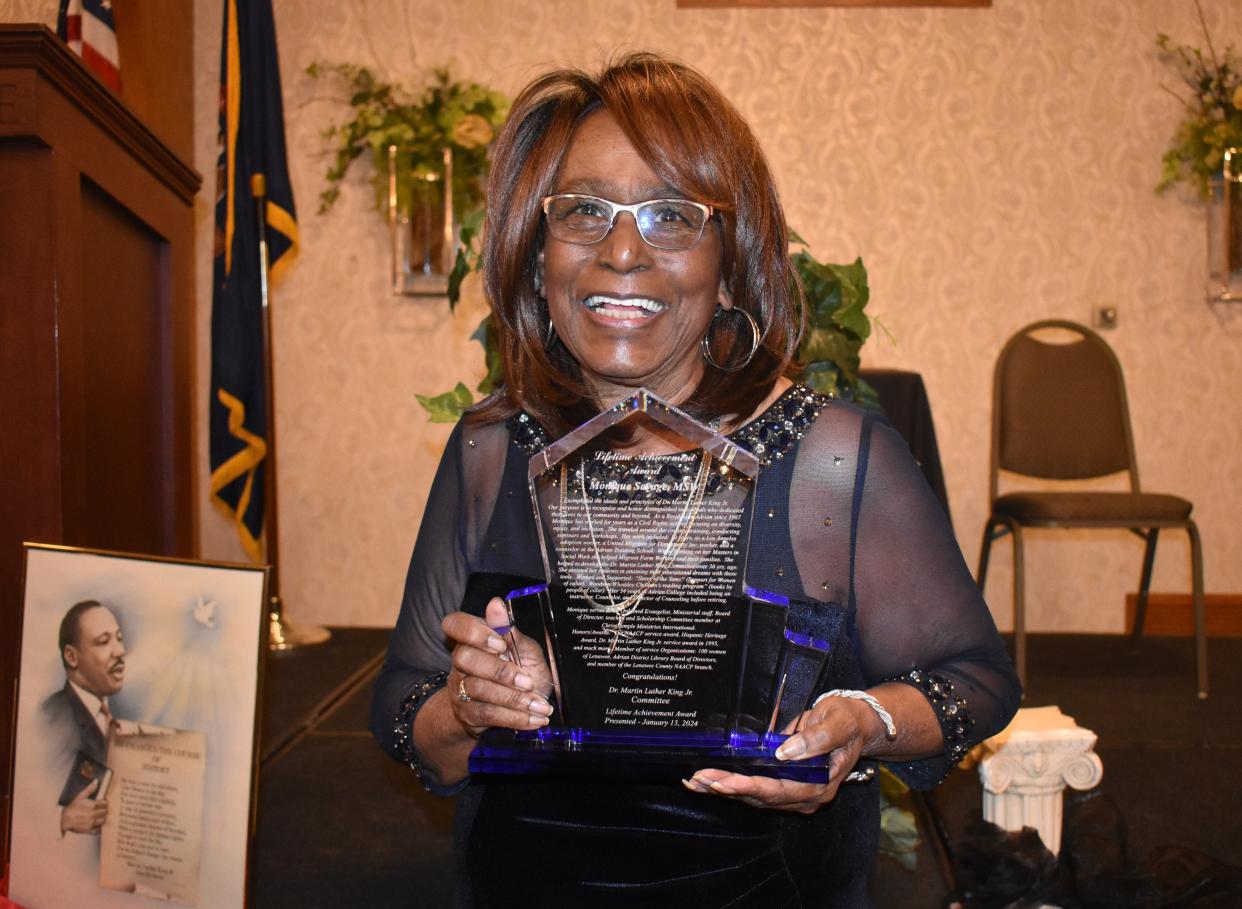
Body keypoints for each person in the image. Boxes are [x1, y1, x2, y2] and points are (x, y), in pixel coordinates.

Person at [372, 52, 1021, 907]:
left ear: (728, 264)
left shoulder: (833, 458)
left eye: (672, 214)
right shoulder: (492, 448)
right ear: (538, 255)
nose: (623, 251)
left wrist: (863, 720)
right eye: (585, 211)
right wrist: (467, 704)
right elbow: (403, 708)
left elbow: (978, 678)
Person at [42, 599, 126, 837]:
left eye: (119, 638)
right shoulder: (49, 721)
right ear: (71, 656)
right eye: (103, 642)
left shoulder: (118, 719)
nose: (119, 651)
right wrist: (63, 818)